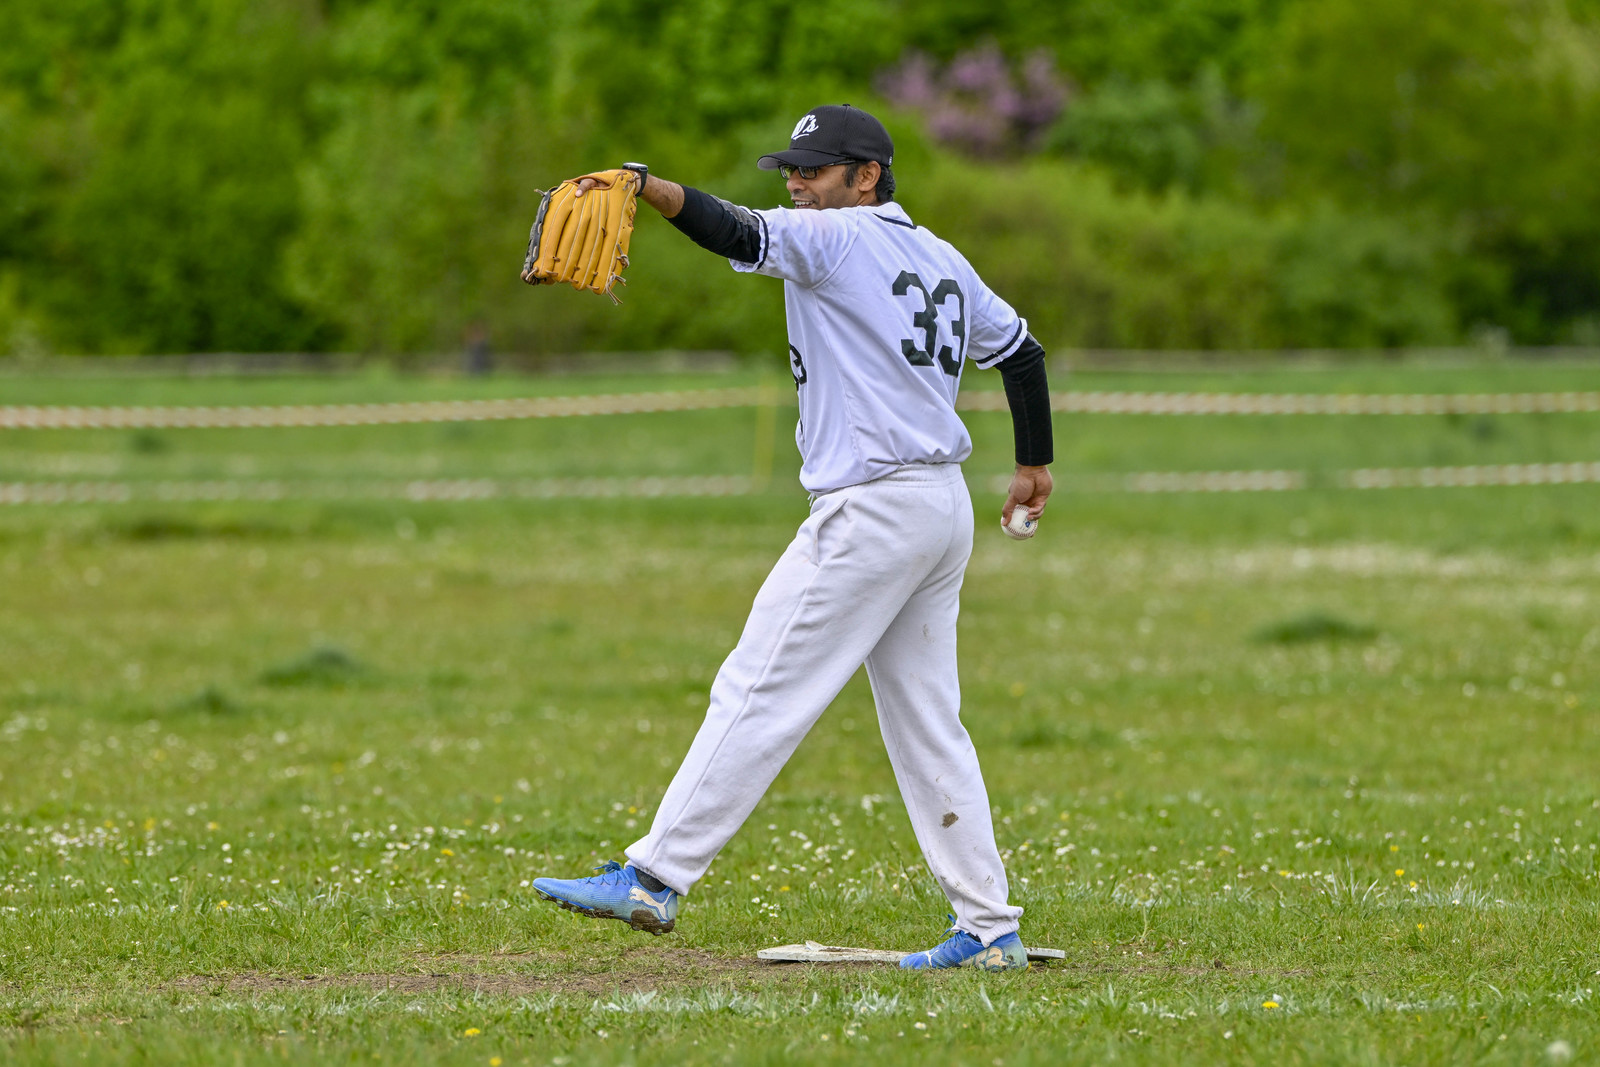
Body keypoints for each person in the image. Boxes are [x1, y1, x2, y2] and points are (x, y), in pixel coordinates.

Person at [531, 104, 1054, 971]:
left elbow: (732, 227)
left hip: (872, 511)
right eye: (791, 170)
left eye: (813, 170)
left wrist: (648, 187)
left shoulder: (835, 237)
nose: (797, 184)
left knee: (758, 684)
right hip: (939, 507)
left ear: (866, 176)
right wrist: (1034, 462)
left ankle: (653, 877)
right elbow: (1022, 352)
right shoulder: (941, 256)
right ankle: (991, 929)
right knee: (929, 723)